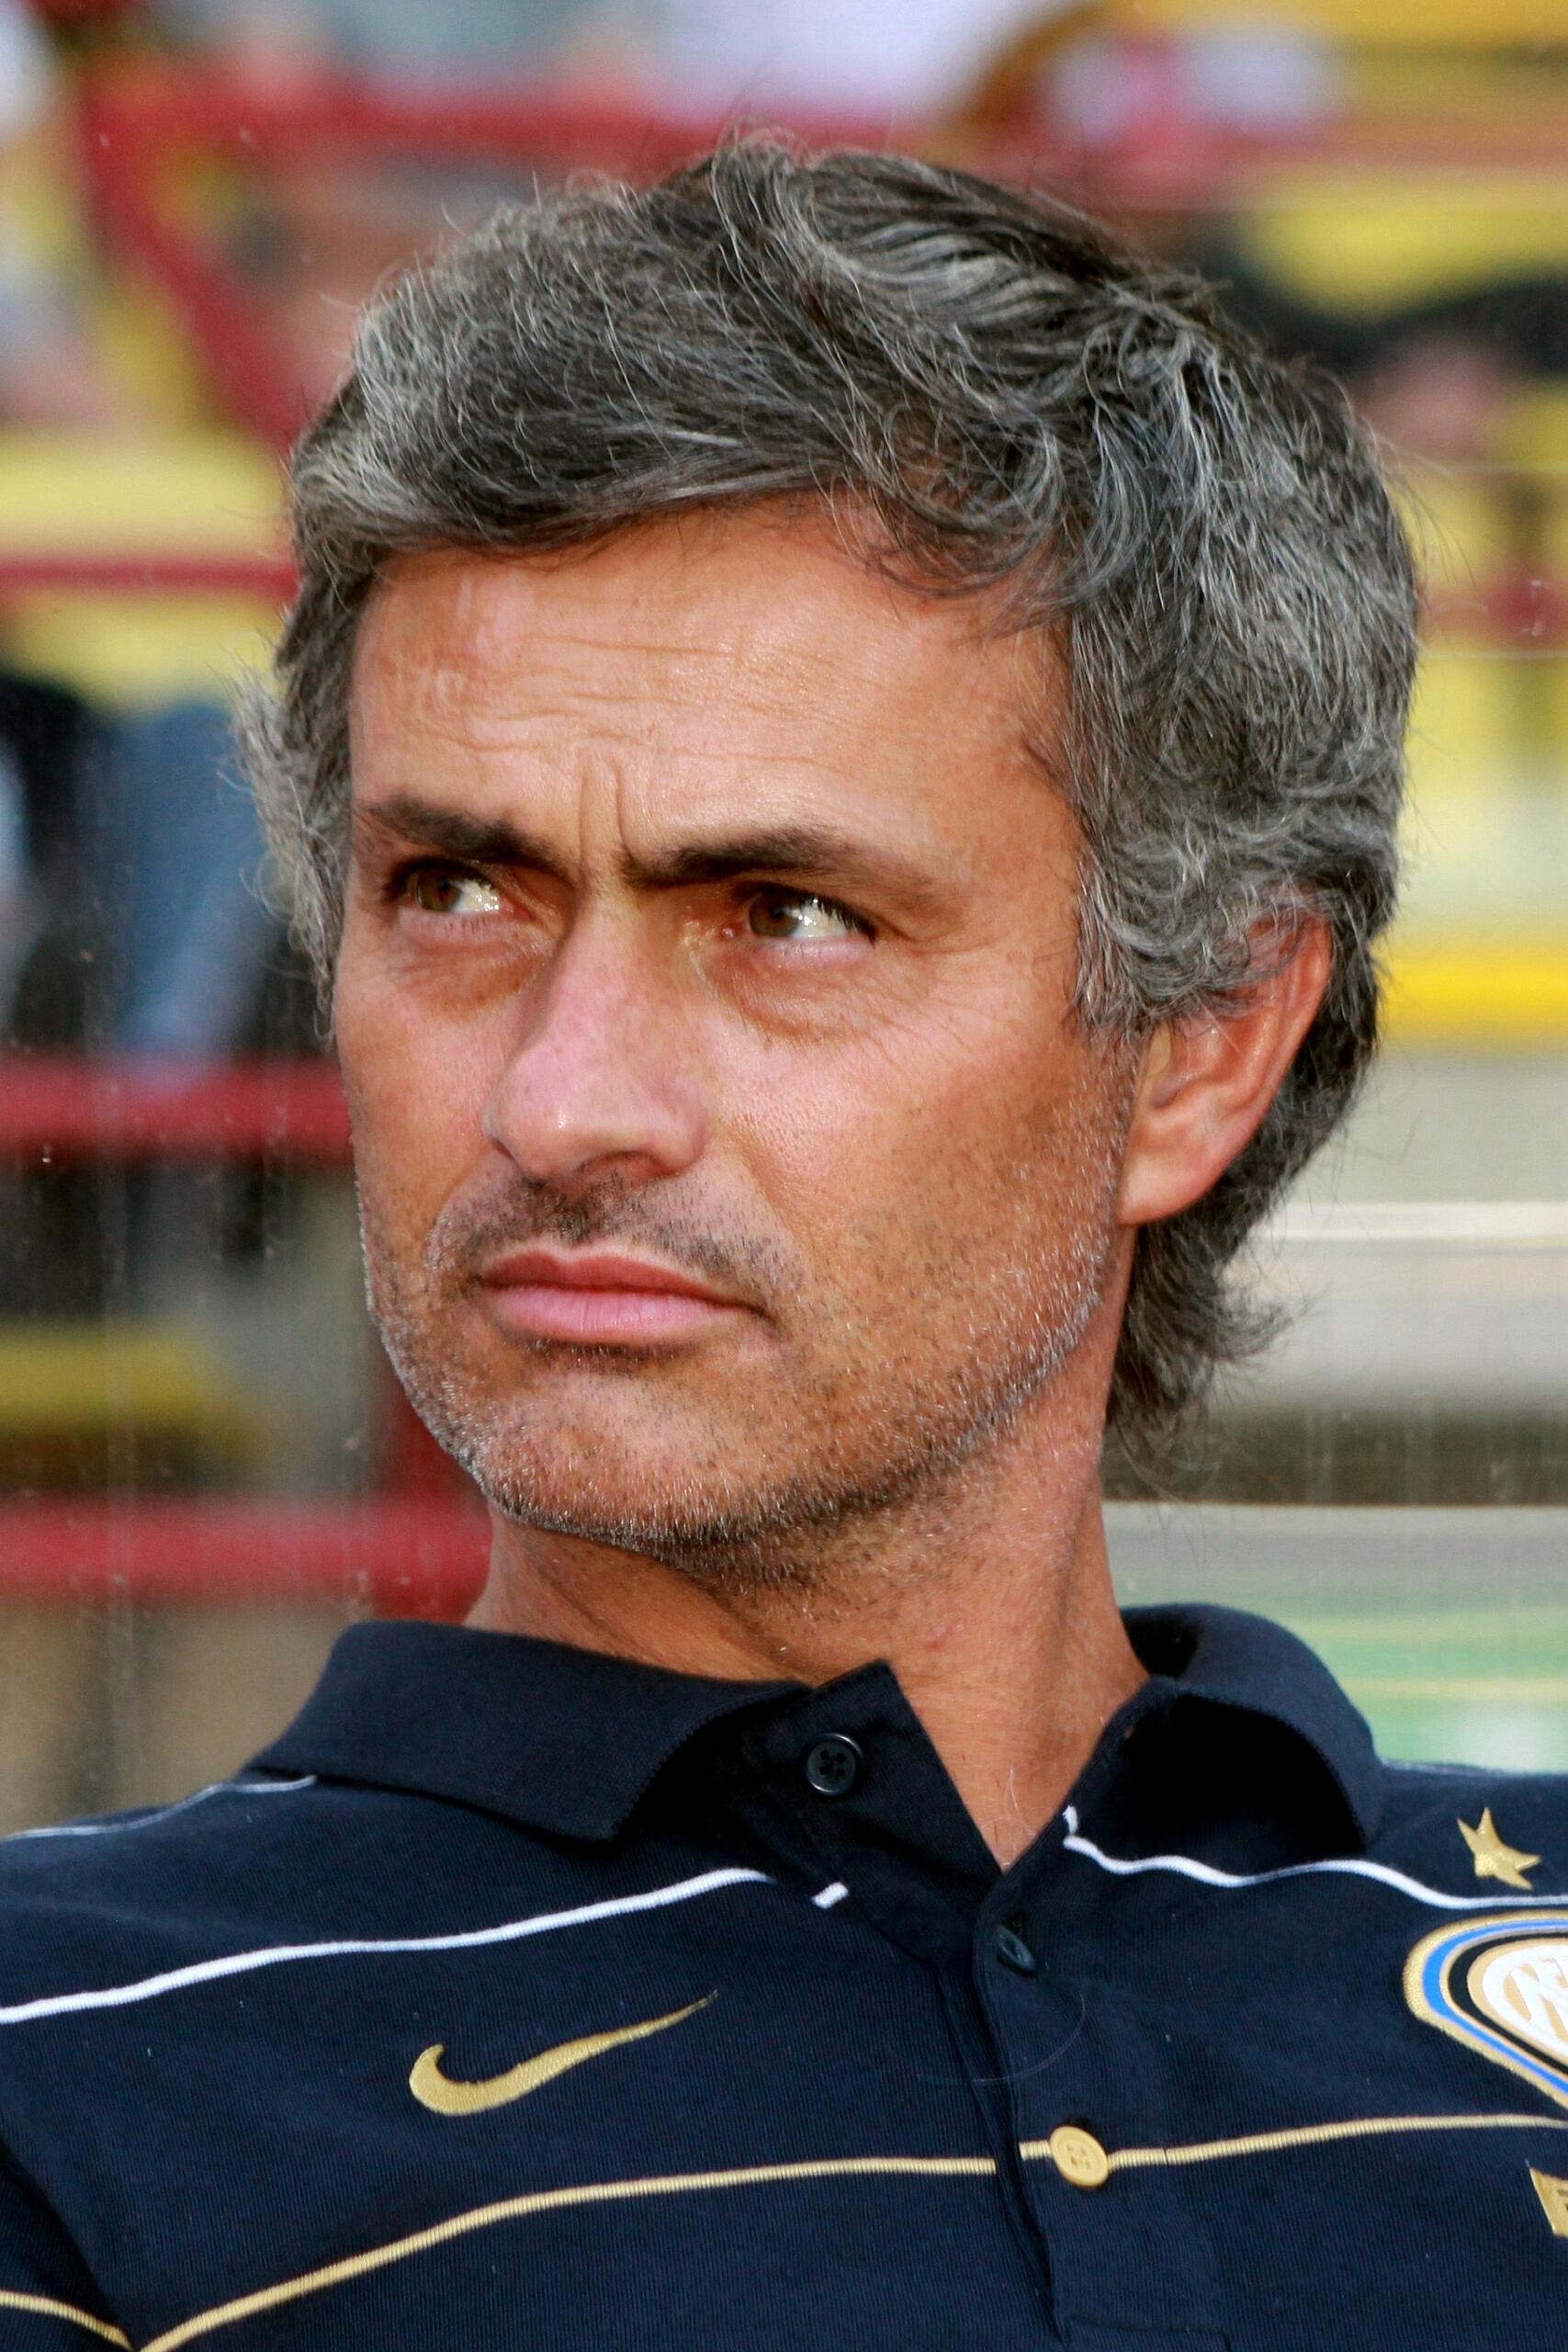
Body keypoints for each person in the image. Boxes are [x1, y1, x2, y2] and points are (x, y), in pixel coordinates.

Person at [1, 141, 1563, 2352]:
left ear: (1202, 1048)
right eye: (458, 889)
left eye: (787, 918)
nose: (560, 1101)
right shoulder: (59, 2051)